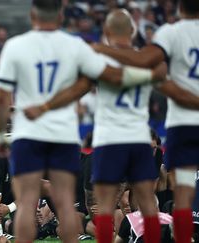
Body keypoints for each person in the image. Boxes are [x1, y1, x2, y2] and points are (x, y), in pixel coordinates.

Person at [0, 1, 166, 243]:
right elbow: (118, 76)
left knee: (31, 200)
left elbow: (2, 97)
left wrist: (4, 133)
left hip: (46, 134)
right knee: (74, 204)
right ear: (61, 15)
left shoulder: (15, 46)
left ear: (32, 14)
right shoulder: (79, 47)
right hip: (115, 137)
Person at [91, 1, 199, 243]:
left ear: (107, 32)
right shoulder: (151, 64)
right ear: (133, 32)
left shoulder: (96, 62)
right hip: (139, 139)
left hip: (109, 138)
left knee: (105, 206)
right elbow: (169, 85)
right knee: (149, 203)